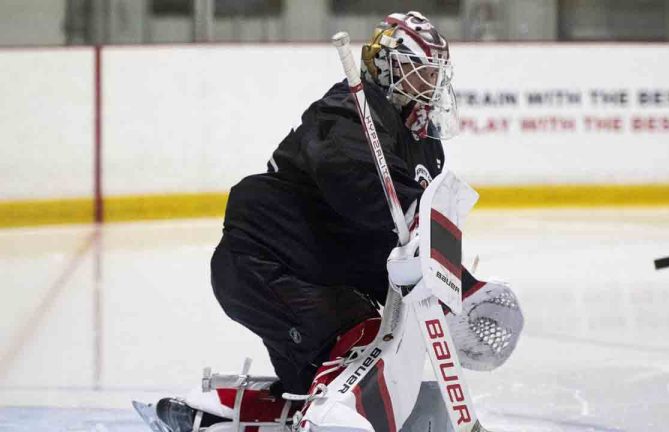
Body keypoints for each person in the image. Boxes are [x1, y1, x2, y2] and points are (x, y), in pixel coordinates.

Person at [141, 11, 521, 432]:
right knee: (360, 341)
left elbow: (402, 242)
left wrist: (459, 293)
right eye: (419, 75)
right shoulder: (348, 113)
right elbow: (353, 182)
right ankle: (328, 422)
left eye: (435, 75)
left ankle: (211, 416)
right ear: (387, 69)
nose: (430, 87)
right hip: (264, 266)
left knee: (323, 376)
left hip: (309, 274)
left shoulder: (422, 148)